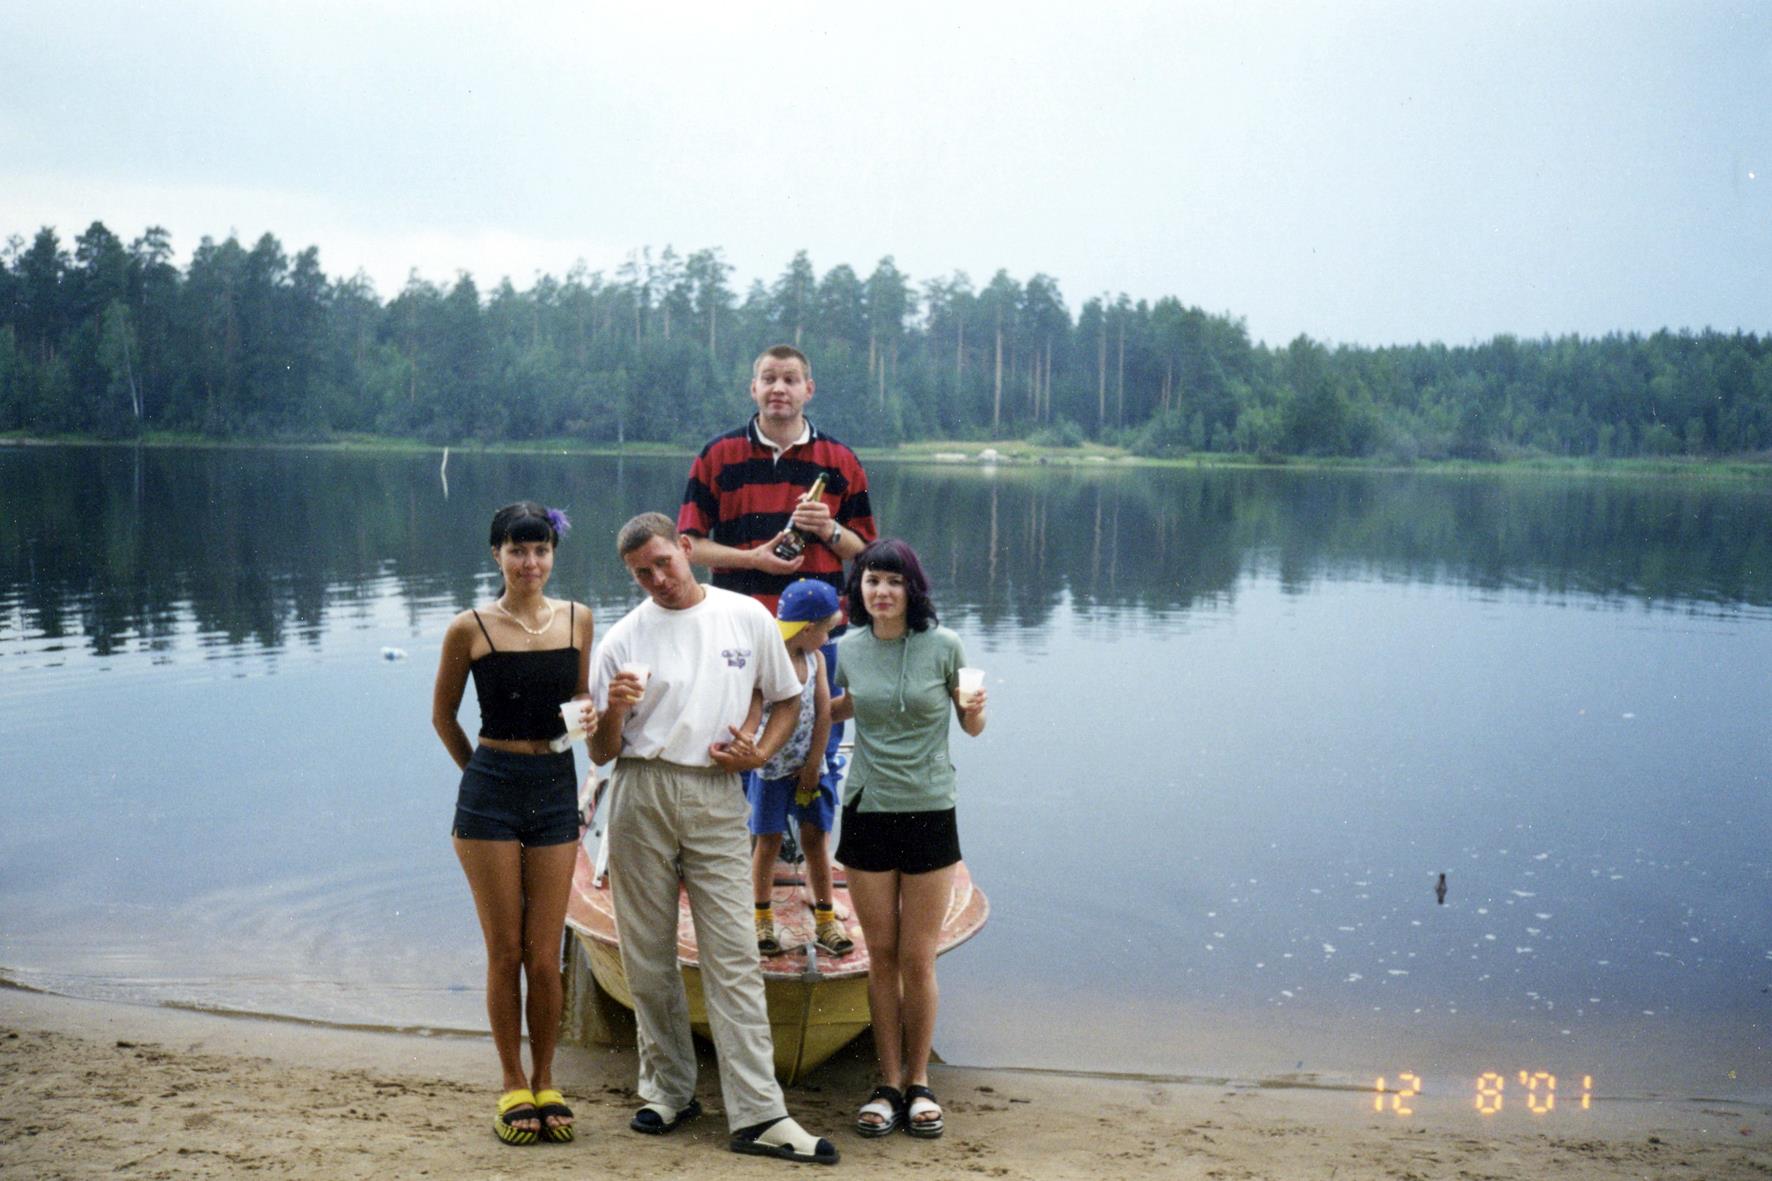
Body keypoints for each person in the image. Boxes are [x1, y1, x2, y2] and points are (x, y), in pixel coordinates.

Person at [589, 512, 840, 1166]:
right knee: (646, 952)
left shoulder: (745, 616)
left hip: (717, 789)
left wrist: (761, 753)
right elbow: (601, 747)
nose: (657, 580)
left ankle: (759, 1112)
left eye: (663, 563)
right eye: (641, 573)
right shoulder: (621, 638)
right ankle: (669, 1089)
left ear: (686, 549)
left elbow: (785, 698)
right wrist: (614, 707)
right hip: (640, 786)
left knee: (731, 950)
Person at [431, 501, 594, 1146]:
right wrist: (481, 774)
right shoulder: (469, 628)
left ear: (553, 554)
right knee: (505, 952)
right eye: (517, 550)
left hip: (556, 786)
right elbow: (444, 716)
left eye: (541, 550)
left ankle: (546, 1076)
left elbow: (582, 705)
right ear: (495, 554)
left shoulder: (580, 619)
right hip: (490, 792)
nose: (530, 563)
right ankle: (509, 1081)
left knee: (544, 953)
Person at [831, 539, 987, 1141]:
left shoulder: (944, 647)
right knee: (881, 956)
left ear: (911, 589)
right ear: (860, 590)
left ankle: (920, 1083)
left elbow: (970, 724)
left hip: (929, 808)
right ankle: (886, 1083)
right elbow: (845, 706)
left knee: (918, 958)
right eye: (872, 581)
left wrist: (975, 709)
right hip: (868, 809)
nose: (882, 592)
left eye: (893, 582)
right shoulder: (847, 648)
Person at [677, 343, 878, 811]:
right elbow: (688, 546)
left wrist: (827, 528)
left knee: (817, 742)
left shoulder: (840, 461)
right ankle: (741, 837)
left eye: (790, 380)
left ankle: (804, 838)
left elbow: (868, 554)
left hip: (817, 636)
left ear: (808, 389)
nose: (778, 389)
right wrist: (755, 559)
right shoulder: (718, 456)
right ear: (753, 388)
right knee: (733, 730)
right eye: (769, 379)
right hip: (738, 629)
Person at [745, 579, 854, 959]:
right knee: (768, 842)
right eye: (826, 631)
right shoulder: (767, 659)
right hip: (771, 769)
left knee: (815, 842)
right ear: (808, 629)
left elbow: (824, 712)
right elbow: (754, 709)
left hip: (811, 767)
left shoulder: (817, 660)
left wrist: (813, 764)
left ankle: (825, 920)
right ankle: (761, 918)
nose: (828, 639)